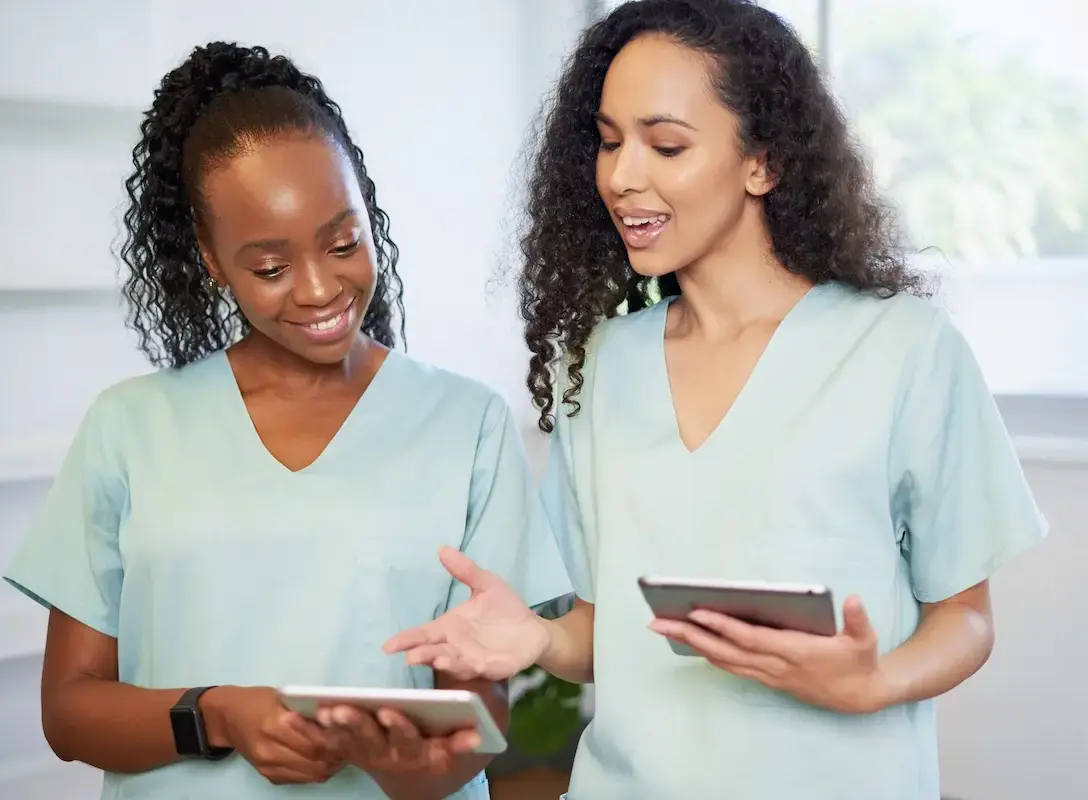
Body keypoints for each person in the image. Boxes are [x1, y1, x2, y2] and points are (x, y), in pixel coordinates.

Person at [384, 2, 1049, 798]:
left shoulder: (903, 351)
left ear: (762, 162)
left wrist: (875, 680)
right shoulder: (605, 362)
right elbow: (610, 634)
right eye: (607, 140)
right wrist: (538, 638)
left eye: (666, 144)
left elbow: (967, 621)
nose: (623, 174)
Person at [3, 41, 569, 800]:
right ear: (210, 259)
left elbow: (494, 714)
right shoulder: (128, 429)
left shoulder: (467, 424)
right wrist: (219, 717)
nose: (318, 289)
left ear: (369, 211)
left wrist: (422, 768)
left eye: (344, 242)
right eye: (269, 267)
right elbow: (69, 712)